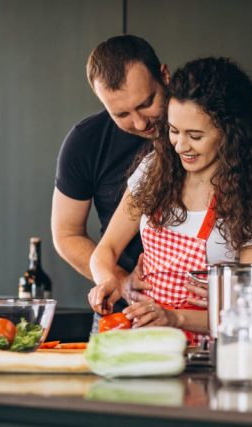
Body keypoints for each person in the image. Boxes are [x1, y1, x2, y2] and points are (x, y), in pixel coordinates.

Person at [88, 57, 252, 339]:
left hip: (211, 356)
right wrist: (108, 281)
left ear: (231, 133)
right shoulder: (153, 170)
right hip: (150, 346)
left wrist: (173, 317)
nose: (180, 146)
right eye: (174, 131)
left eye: (195, 135)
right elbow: (104, 252)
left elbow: (251, 309)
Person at [51, 35, 170, 310]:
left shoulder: (204, 130)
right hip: (124, 310)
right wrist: (121, 281)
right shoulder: (86, 141)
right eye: (121, 114)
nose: (140, 123)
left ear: (164, 76)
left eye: (146, 103)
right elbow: (67, 234)